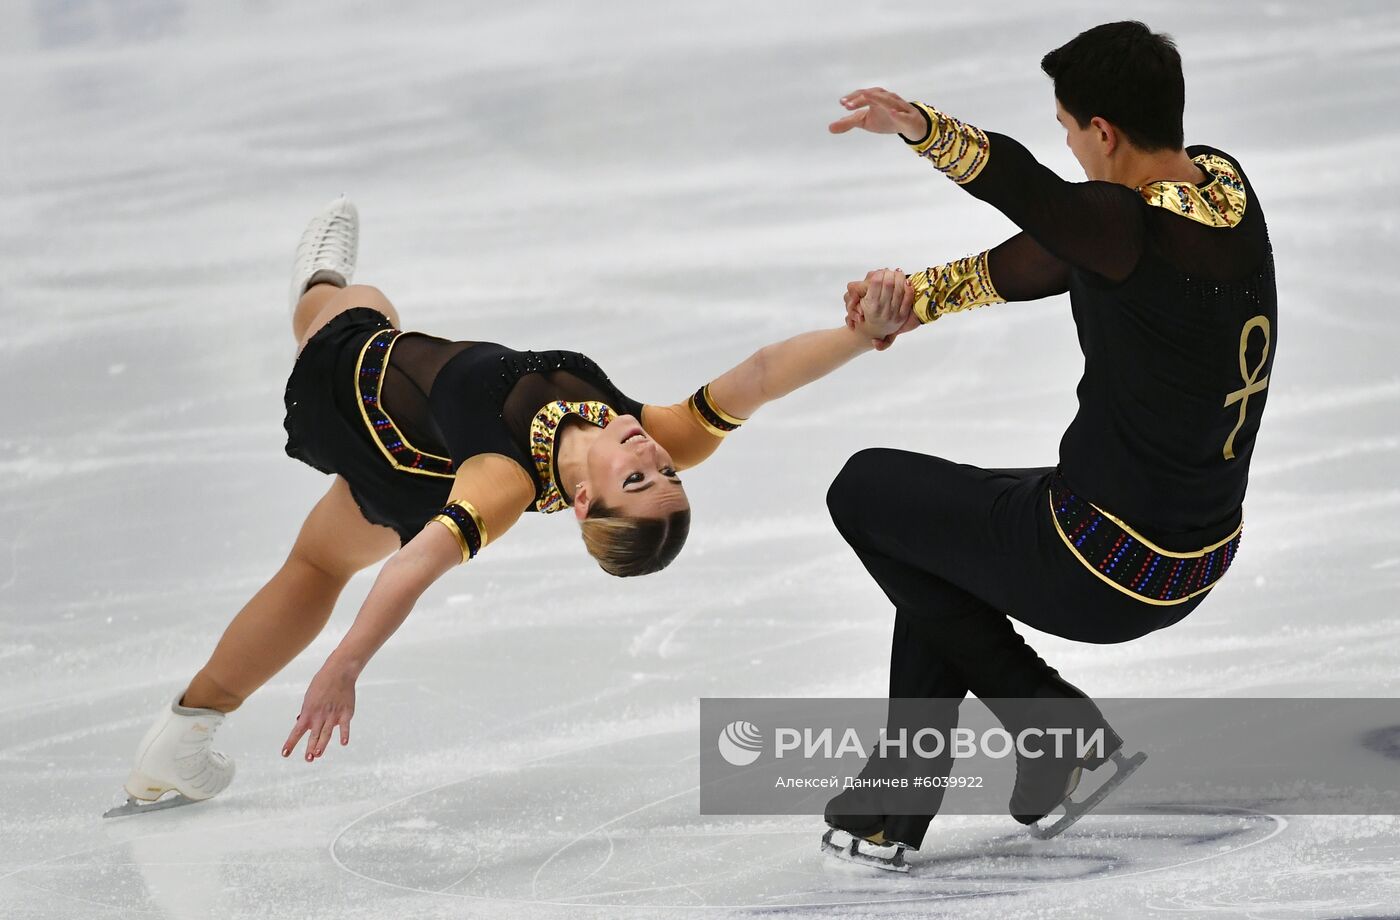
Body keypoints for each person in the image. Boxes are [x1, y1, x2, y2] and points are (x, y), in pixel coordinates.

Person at [106, 197, 918, 818]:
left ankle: (319, 281)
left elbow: (414, 567)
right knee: (316, 564)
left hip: (354, 389)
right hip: (420, 467)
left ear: (586, 498)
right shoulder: (642, 427)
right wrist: (863, 335)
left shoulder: (503, 482)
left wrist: (346, 664)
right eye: (668, 470)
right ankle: (185, 736)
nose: (652, 454)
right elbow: (764, 375)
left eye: (640, 479)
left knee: (355, 300)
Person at [819, 20, 1277, 870]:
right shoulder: (1222, 184)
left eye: (1067, 127)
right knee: (929, 532)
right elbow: (1061, 248)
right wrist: (918, 298)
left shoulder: (1119, 224)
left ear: (1103, 131)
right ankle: (897, 803)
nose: (1064, 144)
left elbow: (1033, 194)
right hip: (1199, 552)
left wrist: (920, 127)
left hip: (1105, 561)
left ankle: (1048, 722)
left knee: (866, 491)